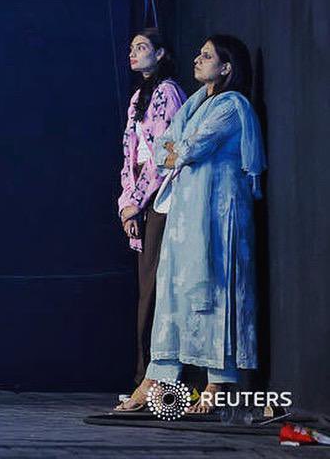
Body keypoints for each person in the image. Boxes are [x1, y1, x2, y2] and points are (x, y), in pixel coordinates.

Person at [128, 34, 265, 414]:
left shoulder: (231, 105)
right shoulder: (194, 103)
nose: (197, 60)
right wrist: (175, 148)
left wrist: (176, 148)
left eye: (207, 56)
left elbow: (186, 148)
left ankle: (219, 381)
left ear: (226, 67)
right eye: (199, 53)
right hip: (186, 213)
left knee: (215, 288)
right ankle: (158, 375)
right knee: (175, 290)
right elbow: (163, 147)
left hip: (217, 211)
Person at [113, 29, 186, 411]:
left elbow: (164, 156)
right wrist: (127, 203)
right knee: (146, 290)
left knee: (155, 291)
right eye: (131, 48)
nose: (133, 53)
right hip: (142, 200)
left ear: (160, 53)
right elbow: (129, 155)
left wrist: (138, 202)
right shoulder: (138, 97)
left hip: (162, 198)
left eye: (142, 48)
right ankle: (144, 378)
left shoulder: (169, 92)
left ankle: (153, 381)